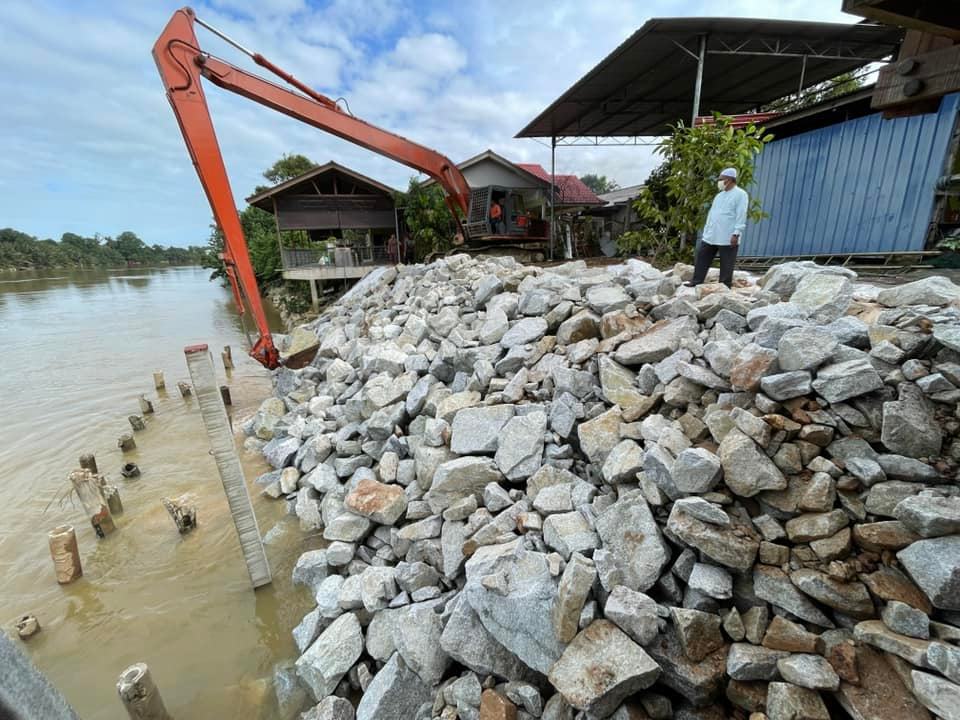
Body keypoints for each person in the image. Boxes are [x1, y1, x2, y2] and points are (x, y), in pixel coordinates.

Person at [686, 167, 749, 288]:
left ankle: (724, 286)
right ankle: (696, 281)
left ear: (729, 180)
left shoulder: (741, 194)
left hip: (728, 235)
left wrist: (736, 233)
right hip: (711, 235)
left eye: (721, 179)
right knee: (702, 257)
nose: (719, 181)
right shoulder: (719, 196)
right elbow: (712, 214)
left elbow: (741, 214)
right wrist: (706, 231)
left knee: (727, 263)